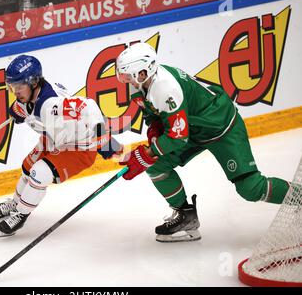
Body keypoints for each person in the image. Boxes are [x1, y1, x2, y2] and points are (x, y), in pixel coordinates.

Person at [115, 42, 290, 243]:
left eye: (128, 75)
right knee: (157, 167)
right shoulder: (139, 87)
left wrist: (148, 153)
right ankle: (186, 217)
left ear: (144, 72)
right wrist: (153, 140)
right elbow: (154, 119)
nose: (125, 80)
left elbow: (178, 137)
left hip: (221, 126)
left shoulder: (166, 88)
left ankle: (298, 197)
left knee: (250, 188)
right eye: (123, 75)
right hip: (192, 129)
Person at [0, 55, 123, 236]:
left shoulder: (51, 105)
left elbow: (88, 106)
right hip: (55, 138)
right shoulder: (31, 96)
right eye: (12, 86)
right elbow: (27, 108)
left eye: (19, 86)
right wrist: (17, 110)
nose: (15, 91)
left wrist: (104, 140)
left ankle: (21, 214)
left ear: (34, 82)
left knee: (40, 173)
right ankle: (15, 203)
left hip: (79, 148)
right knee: (27, 167)